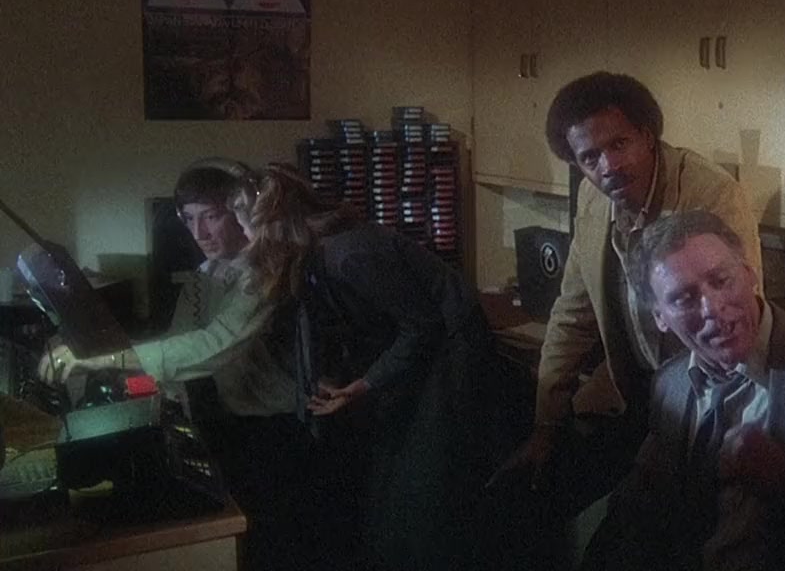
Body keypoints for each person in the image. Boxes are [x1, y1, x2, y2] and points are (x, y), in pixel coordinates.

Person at [490, 72, 763, 553]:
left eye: (619, 144)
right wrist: (546, 427)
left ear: (648, 136)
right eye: (589, 157)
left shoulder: (710, 194)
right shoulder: (593, 198)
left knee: (631, 540)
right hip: (629, 397)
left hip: (699, 407)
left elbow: (734, 323)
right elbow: (572, 315)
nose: (608, 166)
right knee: (521, 499)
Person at [580, 210, 785, 571]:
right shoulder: (670, 384)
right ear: (659, 317)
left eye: (721, 280)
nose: (713, 308)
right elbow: (638, 512)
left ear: (750, 274)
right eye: (684, 298)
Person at [230, 164, 508, 571]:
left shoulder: (348, 255)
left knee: (424, 488)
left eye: (245, 231)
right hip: (416, 349)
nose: (244, 244)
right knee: (390, 488)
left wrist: (364, 384)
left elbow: (422, 327)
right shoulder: (312, 256)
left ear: (269, 228)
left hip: (451, 351)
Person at [38, 158, 308, 571]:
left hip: (276, 429)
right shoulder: (205, 274)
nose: (200, 233)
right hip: (230, 421)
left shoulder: (265, 272)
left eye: (211, 217)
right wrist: (125, 377)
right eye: (189, 218)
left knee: (275, 545)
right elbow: (178, 343)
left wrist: (105, 357)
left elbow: (213, 346)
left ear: (243, 212)